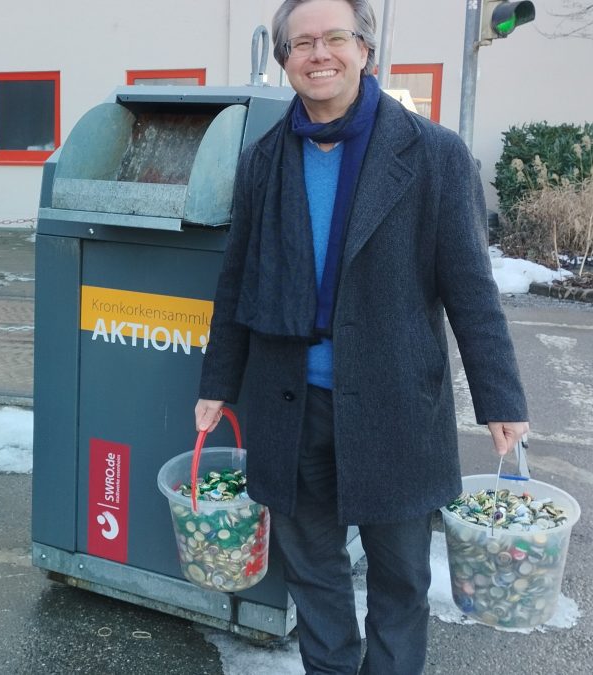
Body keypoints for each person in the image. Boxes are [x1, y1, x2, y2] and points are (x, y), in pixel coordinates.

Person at [194, 1, 528, 673]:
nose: (320, 54)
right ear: (284, 59)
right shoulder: (264, 160)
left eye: (335, 38)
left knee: (400, 582)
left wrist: (501, 396)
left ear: (364, 49)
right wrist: (217, 383)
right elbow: (236, 283)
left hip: (396, 407)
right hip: (291, 404)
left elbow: (469, 287)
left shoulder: (432, 154)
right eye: (303, 43)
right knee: (314, 576)